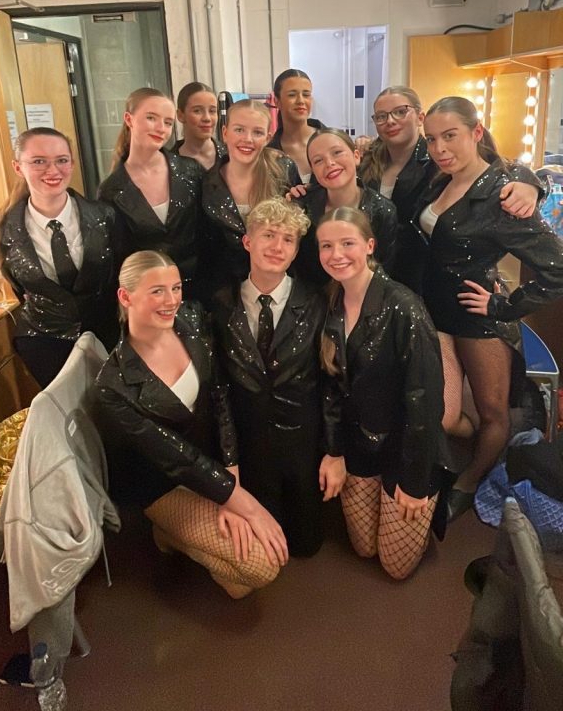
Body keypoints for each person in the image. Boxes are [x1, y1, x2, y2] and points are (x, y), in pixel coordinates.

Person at [95, 250, 288, 599]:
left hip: (209, 461)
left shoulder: (193, 321)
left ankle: (176, 537)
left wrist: (232, 478)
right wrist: (242, 502)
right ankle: (164, 531)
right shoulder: (113, 385)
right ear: (125, 296)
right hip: (162, 482)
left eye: (176, 288)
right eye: (157, 291)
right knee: (260, 567)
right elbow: (175, 457)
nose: (171, 301)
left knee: (240, 584)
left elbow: (220, 399)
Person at [419, 96, 563, 521]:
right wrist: (530, 176)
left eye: (450, 136)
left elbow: (557, 270)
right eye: (432, 140)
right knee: (444, 414)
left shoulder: (504, 196)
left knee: (492, 412)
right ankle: (483, 445)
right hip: (436, 312)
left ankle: (470, 479)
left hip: (478, 319)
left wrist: (502, 305)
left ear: (476, 133)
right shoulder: (439, 177)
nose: (440, 148)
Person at [316, 207, 446, 580]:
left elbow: (425, 403)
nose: (336, 254)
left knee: (394, 566)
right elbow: (331, 389)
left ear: (369, 245)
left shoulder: (405, 308)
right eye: (327, 246)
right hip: (359, 442)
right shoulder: (330, 304)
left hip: (405, 447)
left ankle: (431, 502)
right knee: (363, 548)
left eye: (347, 243)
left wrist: (414, 481)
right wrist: (334, 451)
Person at [213, 198, 344, 557]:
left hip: (303, 444)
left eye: (288, 239)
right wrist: (229, 461)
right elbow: (219, 389)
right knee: (255, 548)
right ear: (247, 242)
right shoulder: (221, 306)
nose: (277, 246)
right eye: (268, 235)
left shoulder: (317, 303)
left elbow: (332, 383)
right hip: (249, 443)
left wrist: (335, 451)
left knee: (305, 546)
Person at [360, 86, 541, 293]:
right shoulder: (369, 159)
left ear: (420, 117)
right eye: (381, 116)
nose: (390, 121)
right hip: (380, 270)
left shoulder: (441, 158)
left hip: (427, 278)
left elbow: (492, 166)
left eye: (401, 111)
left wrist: (529, 183)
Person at [0, 127, 118, 388]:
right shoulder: (1, 228)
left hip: (107, 332)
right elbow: (19, 286)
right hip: (43, 339)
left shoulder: (104, 216)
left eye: (61, 160)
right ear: (17, 167)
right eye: (38, 161)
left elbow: (118, 274)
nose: (53, 170)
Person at [98, 87, 202, 298]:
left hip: (199, 291)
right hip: (148, 298)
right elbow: (119, 258)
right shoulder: (111, 189)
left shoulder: (190, 170)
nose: (161, 128)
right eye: (151, 118)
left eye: (168, 122)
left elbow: (207, 234)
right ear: (129, 119)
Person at [201, 99, 300, 290]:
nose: (247, 139)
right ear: (225, 133)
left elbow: (297, 231)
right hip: (225, 291)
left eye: (257, 132)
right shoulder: (206, 183)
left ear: (268, 137)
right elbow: (206, 249)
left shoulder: (284, 171)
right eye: (239, 130)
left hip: (279, 286)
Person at [290, 128, 398, 286]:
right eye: (318, 160)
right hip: (309, 303)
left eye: (337, 152)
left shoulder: (382, 211)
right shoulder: (302, 205)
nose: (329, 163)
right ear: (313, 170)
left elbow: (383, 274)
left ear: (356, 156)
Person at [268, 69, 324, 184]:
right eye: (292, 95)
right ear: (277, 101)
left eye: (306, 95)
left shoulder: (334, 141)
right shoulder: (269, 153)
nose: (301, 101)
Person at [174, 80, 226, 170]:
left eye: (212, 111)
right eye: (197, 111)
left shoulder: (230, 156)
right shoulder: (168, 163)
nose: (207, 118)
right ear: (180, 115)